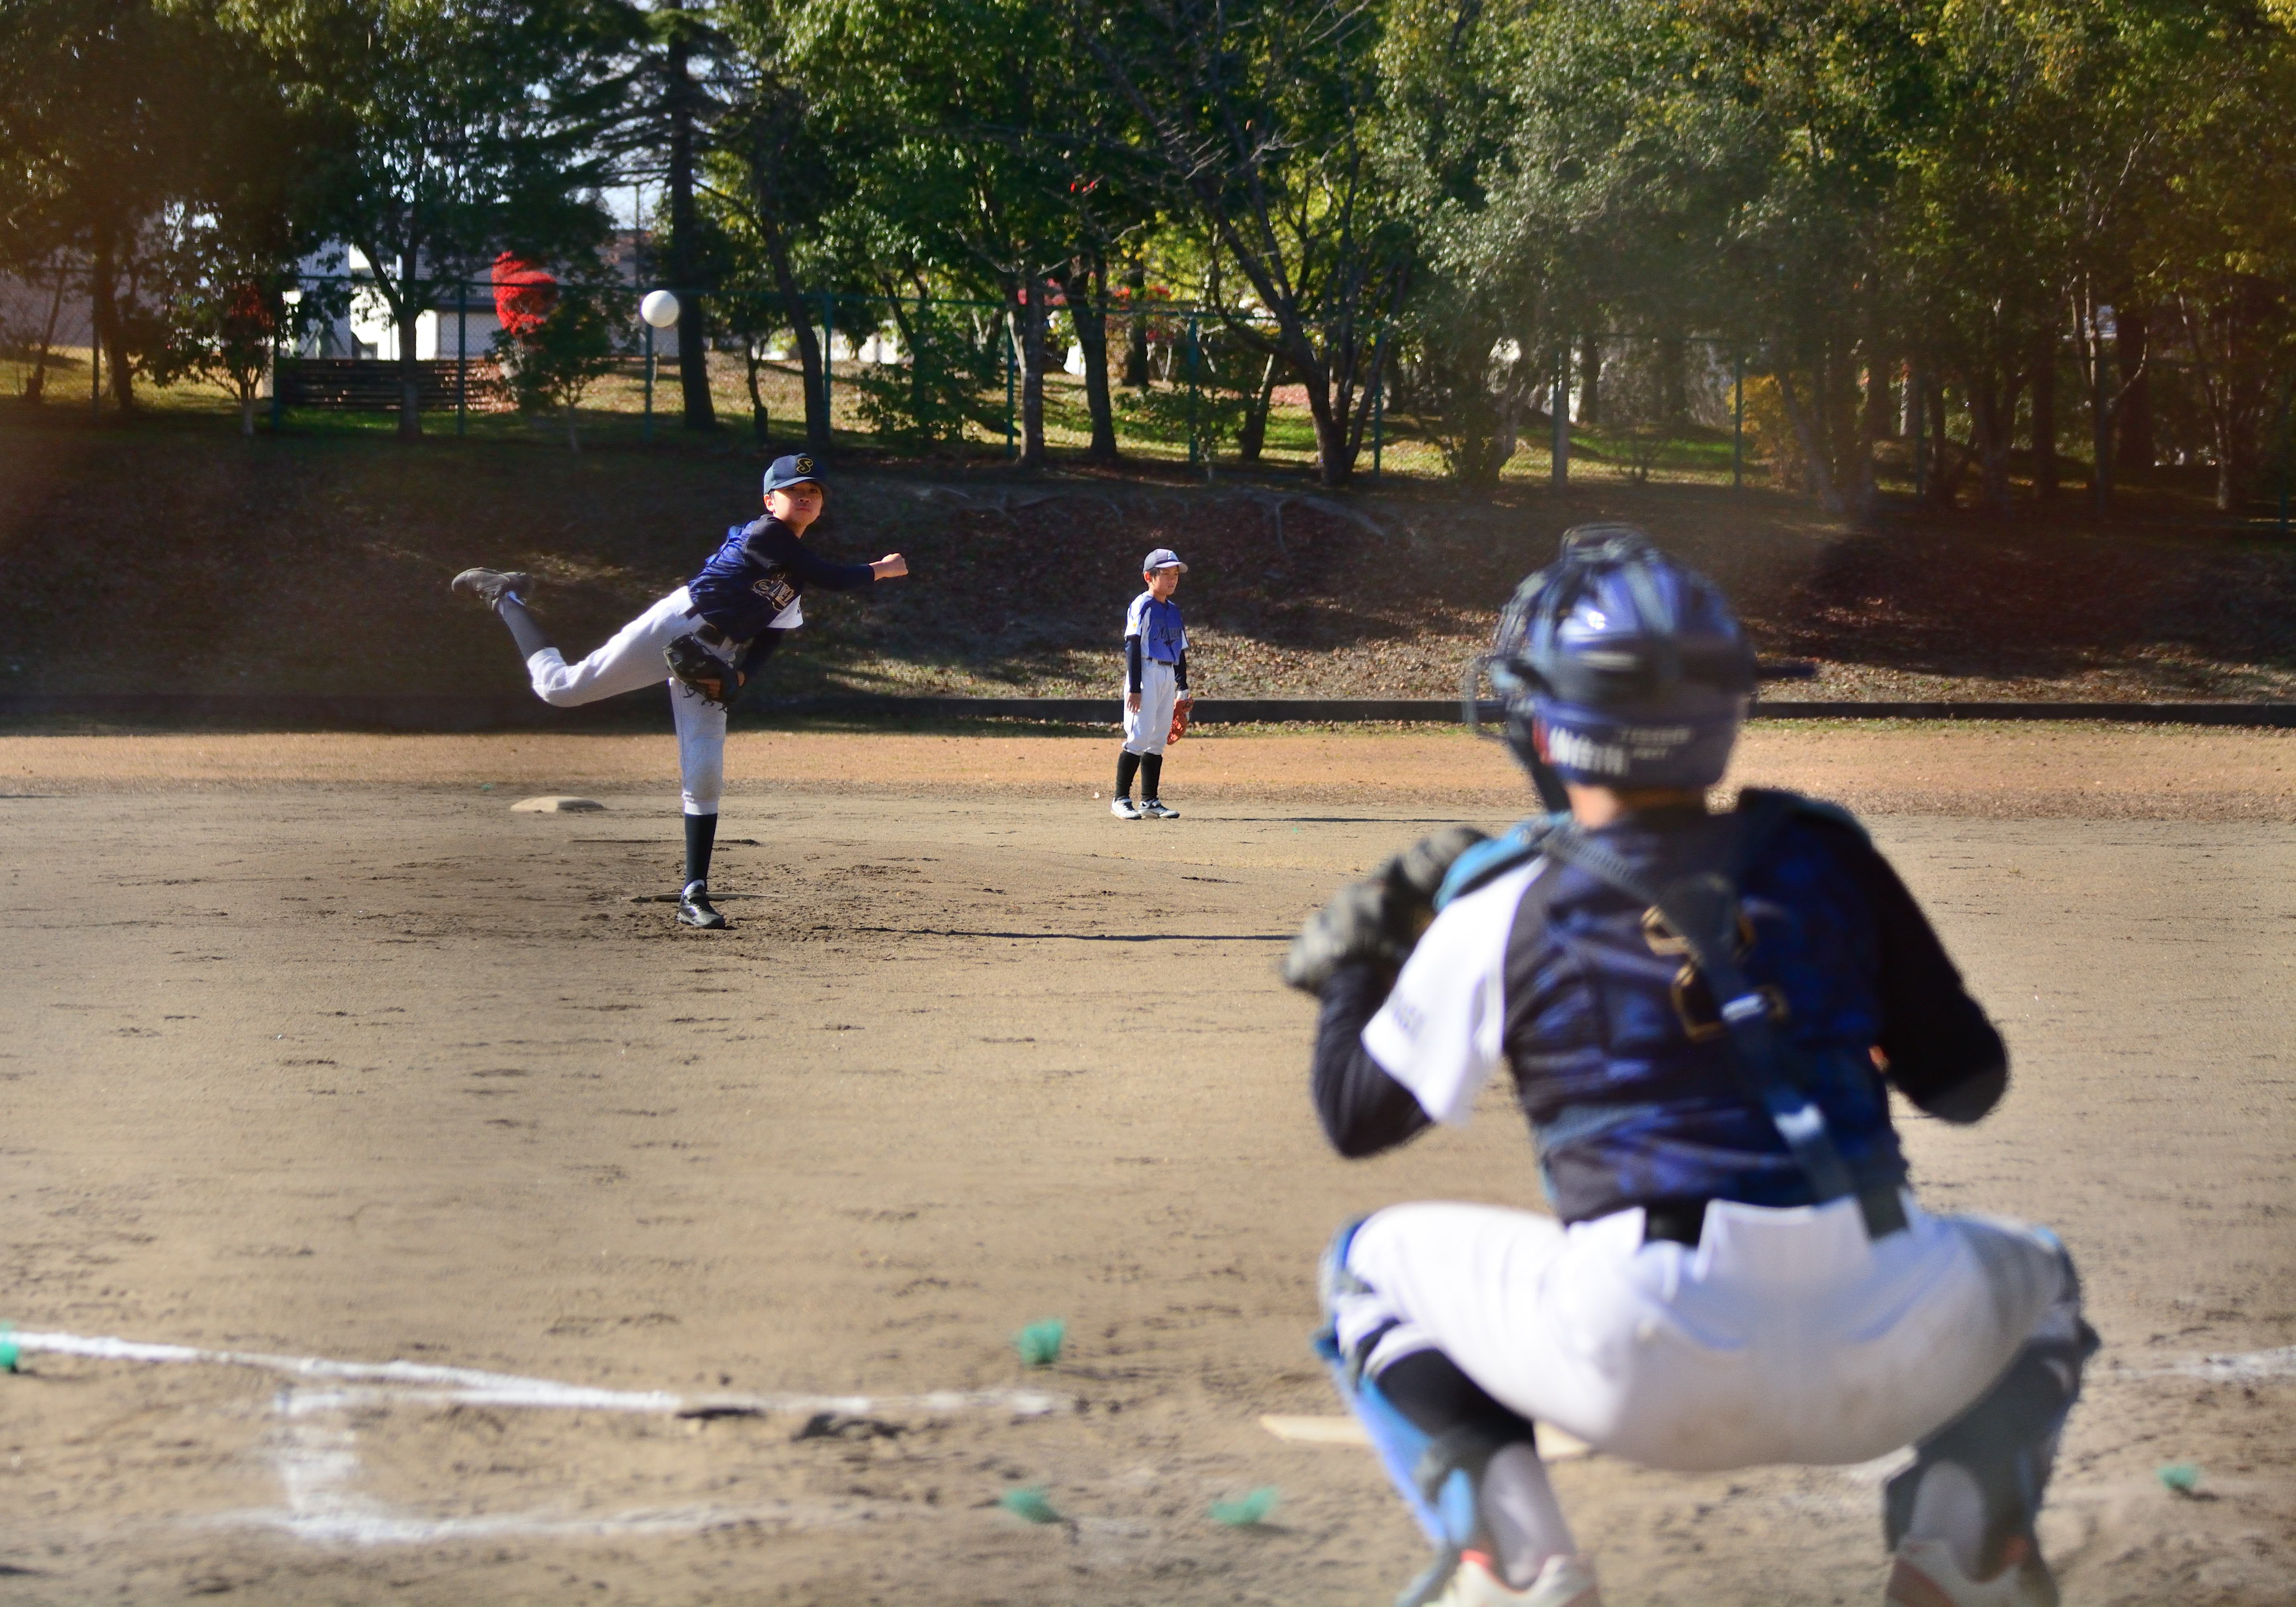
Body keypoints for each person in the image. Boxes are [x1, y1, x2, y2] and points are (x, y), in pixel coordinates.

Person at [1281, 525, 2095, 1607]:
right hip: (1892, 1335)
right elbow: (1968, 1086)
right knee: (2043, 1276)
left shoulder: (1506, 894)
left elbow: (1353, 1116)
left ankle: (1518, 1565)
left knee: (1364, 1269)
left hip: (1639, 1348)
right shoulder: (1823, 855)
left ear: (1549, 725)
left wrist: (1360, 961)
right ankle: (1960, 1546)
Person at [451, 453, 907, 929]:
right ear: (770, 500)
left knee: (705, 771)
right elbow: (834, 577)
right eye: (794, 490)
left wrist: (743, 676)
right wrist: (881, 568)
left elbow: (774, 632)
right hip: (675, 628)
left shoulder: (794, 571)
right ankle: (506, 595)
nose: (806, 497)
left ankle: (694, 893)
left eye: (813, 491)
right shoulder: (766, 534)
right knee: (559, 689)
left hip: (714, 656)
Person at [1112, 548, 1192, 820]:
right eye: (1166, 574)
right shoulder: (1142, 605)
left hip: (1167, 673)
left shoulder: (1174, 610)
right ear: (1149, 576)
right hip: (1146, 672)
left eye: (1175, 574)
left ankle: (1150, 801)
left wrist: (1183, 687)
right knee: (1138, 737)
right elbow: (1133, 645)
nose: (1172, 579)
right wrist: (1135, 687)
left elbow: (1179, 650)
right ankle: (1121, 799)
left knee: (1157, 740)